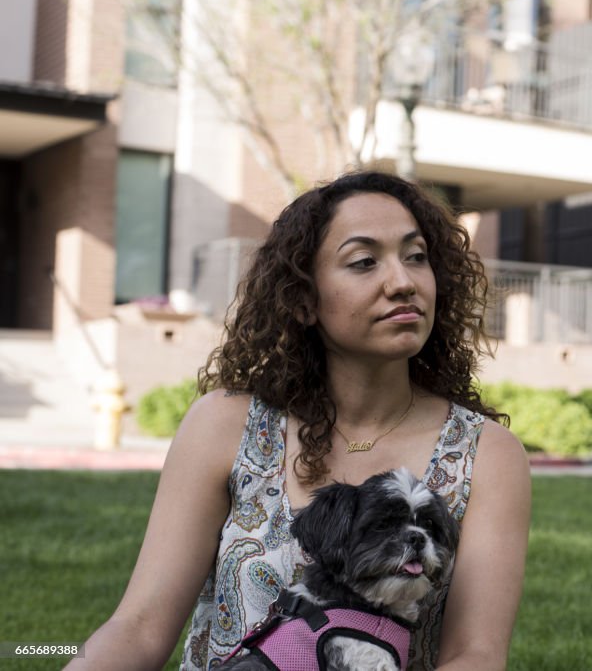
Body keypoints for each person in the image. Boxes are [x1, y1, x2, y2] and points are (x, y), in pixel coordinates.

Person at [68, 171, 531, 671]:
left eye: (416, 257)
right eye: (364, 261)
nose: (403, 282)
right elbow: (138, 628)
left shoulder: (486, 453)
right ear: (305, 299)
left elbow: (475, 656)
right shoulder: (223, 426)